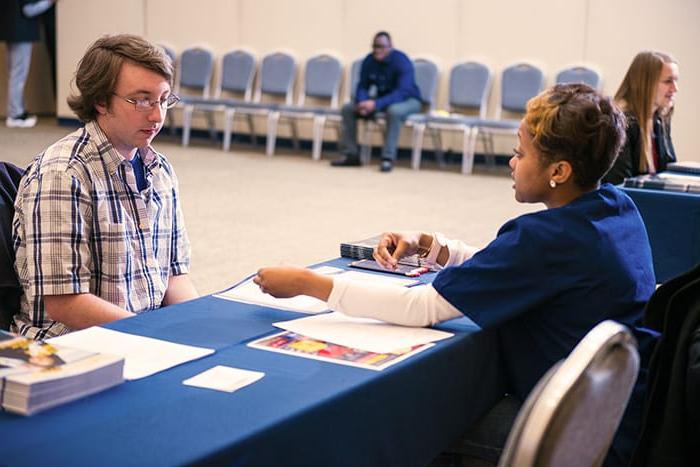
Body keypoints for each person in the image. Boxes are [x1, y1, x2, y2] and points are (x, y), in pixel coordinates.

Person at [255, 84, 657, 466]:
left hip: (570, 435)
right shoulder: (617, 208)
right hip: (615, 414)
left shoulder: (544, 239)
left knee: (413, 416)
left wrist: (309, 284)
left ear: (560, 170)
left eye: (521, 153)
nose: (511, 163)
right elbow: (506, 265)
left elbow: (422, 306)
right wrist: (430, 244)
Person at [11, 34, 198, 340]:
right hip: (75, 345)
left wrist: (196, 327)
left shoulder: (159, 168)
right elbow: (65, 303)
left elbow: (175, 275)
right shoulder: (63, 175)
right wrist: (151, 336)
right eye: (140, 100)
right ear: (100, 100)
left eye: (163, 100)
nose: (156, 115)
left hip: (141, 336)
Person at [331, 31, 422, 173]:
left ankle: (387, 158)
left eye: (381, 47)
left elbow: (402, 91)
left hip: (408, 100)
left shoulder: (401, 61)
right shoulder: (369, 60)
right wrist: (363, 102)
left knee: (394, 111)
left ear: (390, 46)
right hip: (382, 99)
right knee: (348, 108)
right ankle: (351, 154)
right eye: (374, 46)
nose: (377, 50)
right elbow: (362, 85)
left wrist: (376, 104)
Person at [603, 51, 679, 184]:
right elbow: (620, 184)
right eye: (668, 81)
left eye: (676, 81)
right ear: (646, 83)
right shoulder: (620, 123)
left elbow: (669, 173)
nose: (675, 88)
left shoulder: (659, 121)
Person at [0, 0, 57, 128]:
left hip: (11, 30)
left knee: (14, 74)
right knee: (18, 75)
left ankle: (17, 111)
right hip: (22, 31)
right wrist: (49, 2)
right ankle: (15, 115)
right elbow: (28, 10)